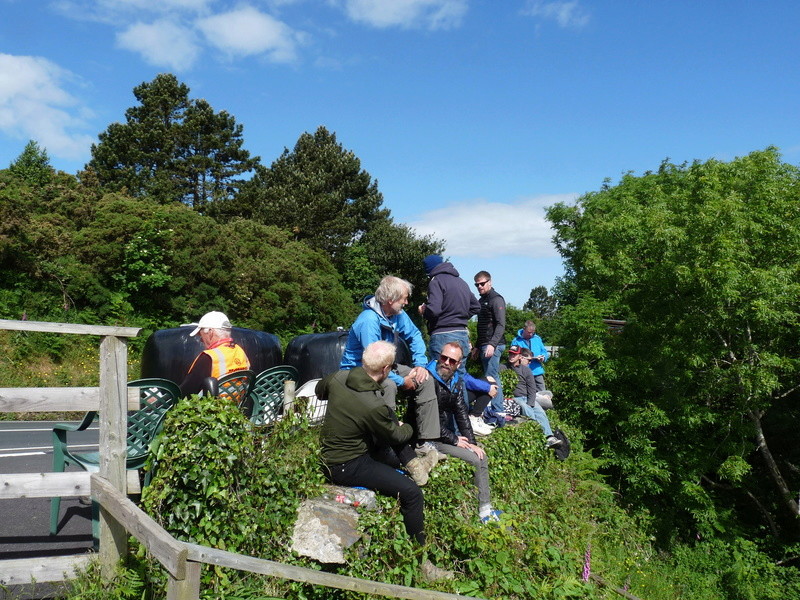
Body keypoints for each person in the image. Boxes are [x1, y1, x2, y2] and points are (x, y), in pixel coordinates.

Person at [318, 341, 453, 581]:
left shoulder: (339, 377)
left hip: (331, 453)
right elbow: (396, 435)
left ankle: (413, 464)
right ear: (386, 368)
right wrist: (408, 426)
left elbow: (320, 390)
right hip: (347, 464)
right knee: (411, 493)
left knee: (387, 421)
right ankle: (422, 563)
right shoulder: (372, 405)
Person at [340, 276, 440, 449]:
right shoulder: (368, 321)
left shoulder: (397, 315)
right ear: (390, 300)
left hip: (385, 366)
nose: (407, 302)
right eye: (404, 298)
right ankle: (388, 443)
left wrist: (420, 365)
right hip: (359, 369)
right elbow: (374, 364)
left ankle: (426, 442)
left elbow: (415, 335)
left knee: (425, 379)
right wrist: (402, 381)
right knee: (388, 385)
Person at [426, 342, 502, 523]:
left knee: (480, 453)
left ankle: (485, 507)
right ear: (438, 357)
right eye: (443, 358)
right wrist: (454, 440)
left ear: (458, 364)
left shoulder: (455, 382)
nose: (446, 363)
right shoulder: (429, 380)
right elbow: (429, 421)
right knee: (476, 459)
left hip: (444, 434)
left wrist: (472, 443)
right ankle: (484, 512)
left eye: (452, 360)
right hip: (430, 438)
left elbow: (461, 414)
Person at [418, 254, 480, 377]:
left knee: (440, 377)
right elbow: (476, 306)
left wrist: (424, 311)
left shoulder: (436, 281)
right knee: (460, 379)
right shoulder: (462, 282)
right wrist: (459, 317)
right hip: (462, 334)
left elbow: (434, 310)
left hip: (442, 335)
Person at [500, 345, 562, 448]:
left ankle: (549, 437)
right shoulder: (502, 367)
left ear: (519, 356)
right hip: (514, 398)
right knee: (526, 409)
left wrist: (531, 402)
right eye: (510, 354)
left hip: (527, 397)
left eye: (514, 354)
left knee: (540, 412)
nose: (511, 356)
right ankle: (539, 432)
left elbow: (532, 389)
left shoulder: (526, 370)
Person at [179, 311, 251, 397]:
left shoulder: (209, 357)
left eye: (201, 335)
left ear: (210, 332)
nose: (201, 340)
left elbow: (187, 392)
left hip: (213, 408)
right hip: (236, 406)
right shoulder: (240, 351)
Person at [473, 271, 506, 412]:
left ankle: (498, 411)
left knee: (492, 377)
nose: (479, 286)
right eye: (477, 284)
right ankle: (494, 409)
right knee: (489, 377)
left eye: (482, 283)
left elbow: (501, 324)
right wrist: (476, 346)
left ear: (490, 282)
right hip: (484, 345)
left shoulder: (496, 299)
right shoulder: (481, 301)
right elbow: (481, 326)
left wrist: (492, 344)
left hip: (493, 344)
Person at [512, 320, 549, 392]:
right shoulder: (516, 341)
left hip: (537, 371)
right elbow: (514, 356)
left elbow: (544, 351)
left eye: (532, 332)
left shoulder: (537, 339)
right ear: (524, 329)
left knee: (543, 395)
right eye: (529, 332)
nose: (531, 334)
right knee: (525, 393)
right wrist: (526, 358)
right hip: (523, 373)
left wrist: (543, 357)